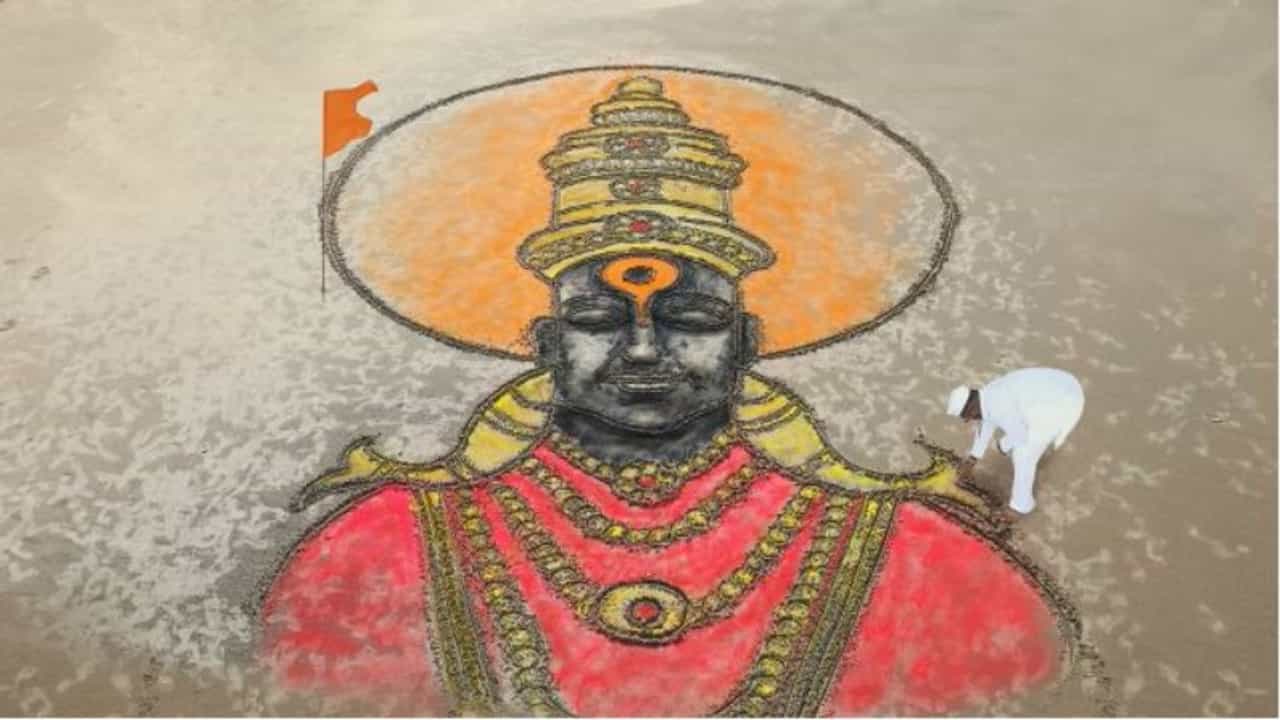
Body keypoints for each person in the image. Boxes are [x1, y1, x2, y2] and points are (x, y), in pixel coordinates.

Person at [261, 78, 1075, 716]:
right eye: (595, 319)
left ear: (747, 342)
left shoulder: (905, 547)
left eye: (691, 319)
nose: (645, 348)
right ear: (543, 344)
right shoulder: (387, 539)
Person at [947, 368, 1085, 514]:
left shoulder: (999, 406)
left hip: (1064, 401)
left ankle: (1021, 506)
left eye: (965, 416)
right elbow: (986, 423)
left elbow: (1020, 434)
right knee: (1015, 441)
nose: (967, 420)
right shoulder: (987, 396)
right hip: (1061, 384)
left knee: (1022, 453)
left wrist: (1002, 445)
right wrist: (972, 460)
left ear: (971, 408)